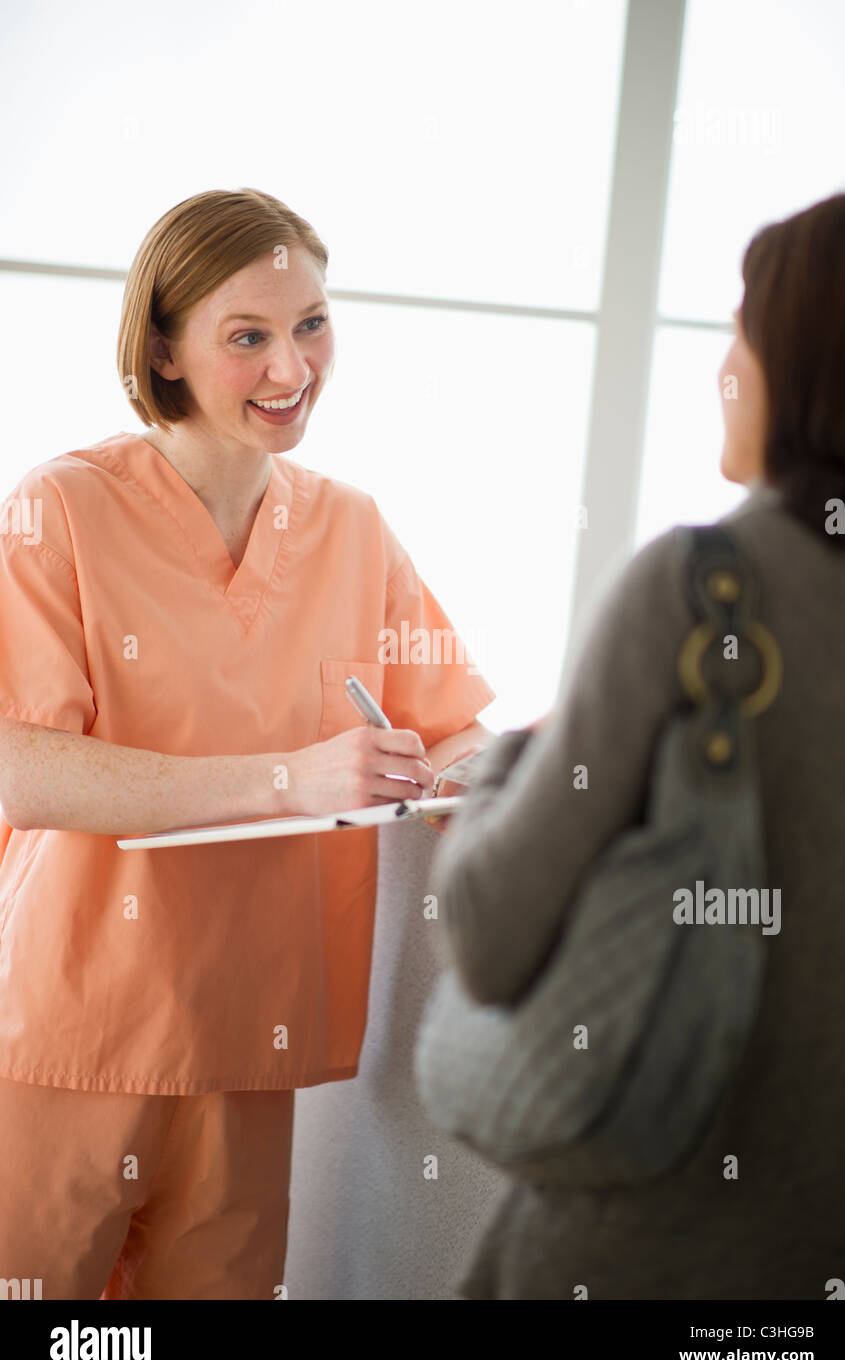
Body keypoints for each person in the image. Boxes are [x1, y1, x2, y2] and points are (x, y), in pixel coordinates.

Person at [0, 187, 495, 1300]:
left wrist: (504, 766)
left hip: (248, 1040)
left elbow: (449, 723)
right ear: (165, 351)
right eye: (248, 338)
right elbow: (23, 765)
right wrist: (292, 775)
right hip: (71, 1028)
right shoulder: (61, 510)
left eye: (312, 323)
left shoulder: (353, 528)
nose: (292, 369)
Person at [428, 189, 845, 1300]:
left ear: (810, 362)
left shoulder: (709, 592)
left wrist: (510, 764)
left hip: (644, 1259)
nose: (724, 367)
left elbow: (488, 931)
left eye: (742, 330)